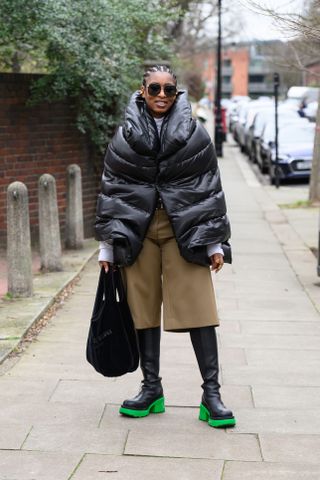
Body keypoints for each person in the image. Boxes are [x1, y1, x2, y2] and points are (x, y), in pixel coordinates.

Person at [95, 65, 235, 429]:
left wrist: (215, 243)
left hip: (184, 230)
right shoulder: (124, 136)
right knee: (142, 311)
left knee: (199, 310)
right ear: (142, 90)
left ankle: (212, 394)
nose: (161, 95)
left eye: (168, 89)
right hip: (137, 231)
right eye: (154, 88)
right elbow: (113, 191)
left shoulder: (196, 135)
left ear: (177, 93)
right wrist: (107, 248)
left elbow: (209, 189)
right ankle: (151, 388)